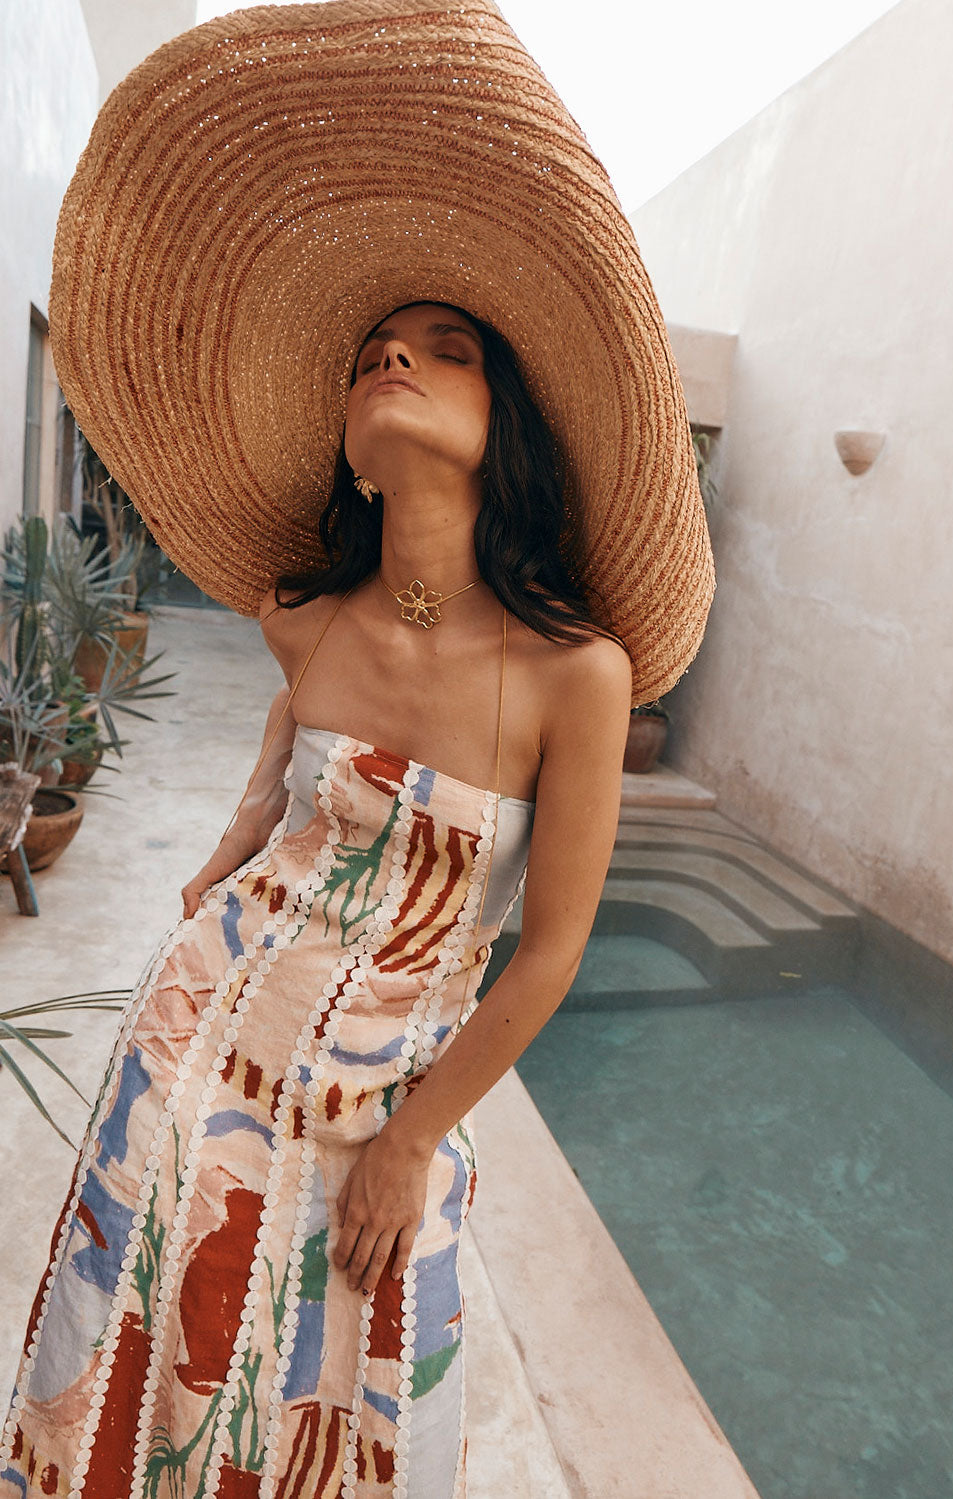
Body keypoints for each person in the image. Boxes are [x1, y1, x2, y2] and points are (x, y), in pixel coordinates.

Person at [1, 4, 714, 1496]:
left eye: (447, 350)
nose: (398, 355)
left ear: (503, 425)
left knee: (336, 1413)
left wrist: (411, 1143)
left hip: (385, 1110)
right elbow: (289, 753)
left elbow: (548, 955)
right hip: (190, 1049)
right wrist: (230, 842)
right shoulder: (302, 622)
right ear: (347, 443)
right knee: (135, 1377)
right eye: (377, 350)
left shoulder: (578, 676)